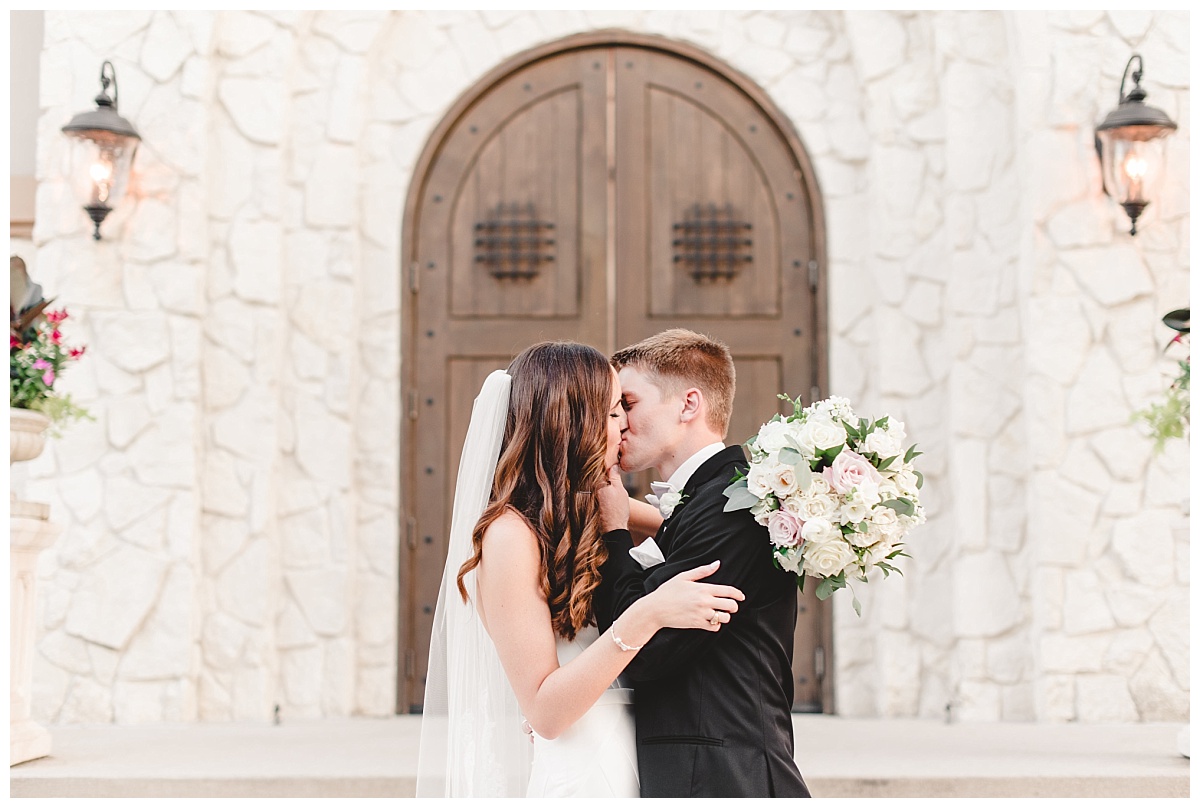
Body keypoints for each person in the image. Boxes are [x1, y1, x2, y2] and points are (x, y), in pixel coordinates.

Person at [415, 341, 745, 797]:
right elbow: (545, 713)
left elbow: (694, 525)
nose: (626, 424)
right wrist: (648, 614)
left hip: (641, 760)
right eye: (614, 412)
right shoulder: (509, 535)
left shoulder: (587, 511)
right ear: (571, 421)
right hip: (584, 772)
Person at [594, 328, 812, 798]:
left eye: (627, 404)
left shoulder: (735, 505)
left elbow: (646, 651)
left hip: (726, 776)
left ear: (688, 405)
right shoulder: (706, 502)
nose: (615, 423)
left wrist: (614, 533)